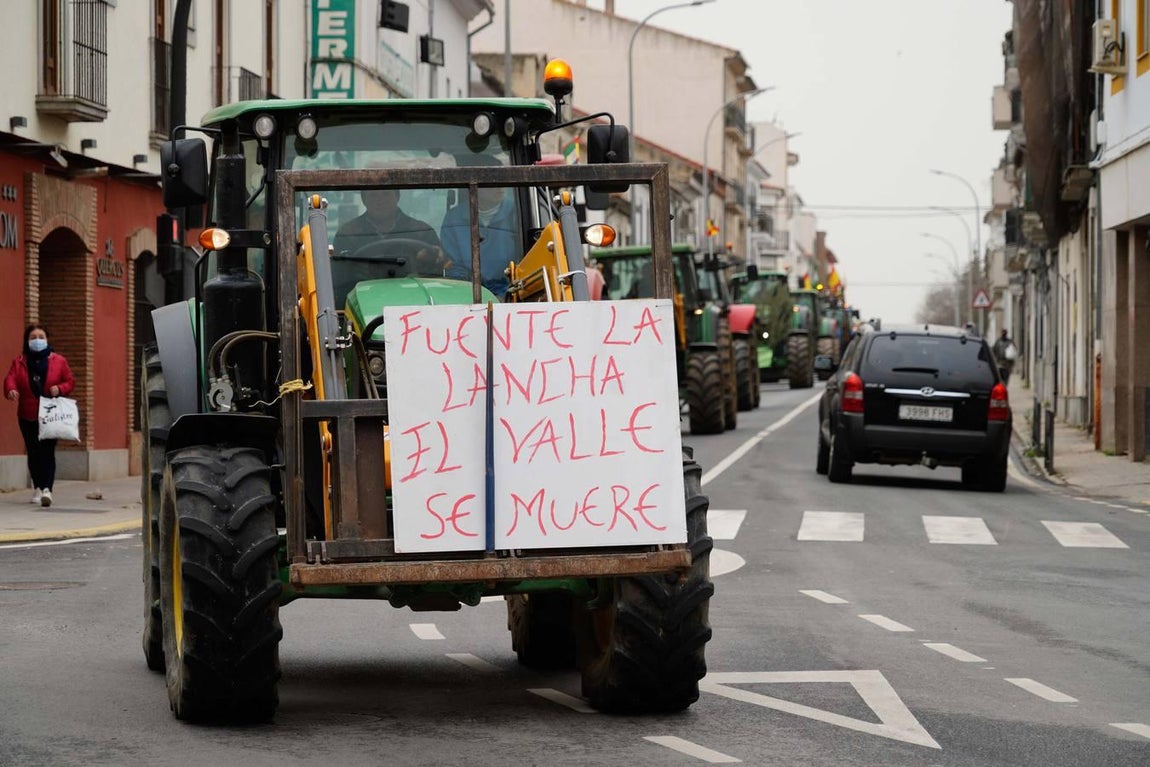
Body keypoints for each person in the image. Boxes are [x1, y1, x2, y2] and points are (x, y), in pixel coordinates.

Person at [4, 324, 75, 507]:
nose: (38, 340)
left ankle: (47, 490)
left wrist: (59, 388)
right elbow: (10, 379)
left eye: (41, 337)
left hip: (50, 414)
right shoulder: (19, 361)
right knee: (33, 451)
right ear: (27, 341)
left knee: (47, 451)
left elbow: (69, 381)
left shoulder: (58, 361)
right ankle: (38, 485)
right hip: (27, 414)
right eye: (33, 337)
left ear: (47, 339)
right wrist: (11, 389)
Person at [439, 156, 521, 297]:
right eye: (491, 181)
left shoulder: (519, 213)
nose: (499, 187)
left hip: (513, 293)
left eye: (502, 180)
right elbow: (452, 266)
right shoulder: (454, 219)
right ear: (474, 185)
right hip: (467, 293)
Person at [332, 187, 445, 271]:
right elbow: (341, 276)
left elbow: (440, 269)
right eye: (373, 195)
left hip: (413, 297)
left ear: (397, 197)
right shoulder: (348, 233)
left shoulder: (422, 232)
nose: (380, 200)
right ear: (364, 200)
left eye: (386, 194)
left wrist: (431, 257)